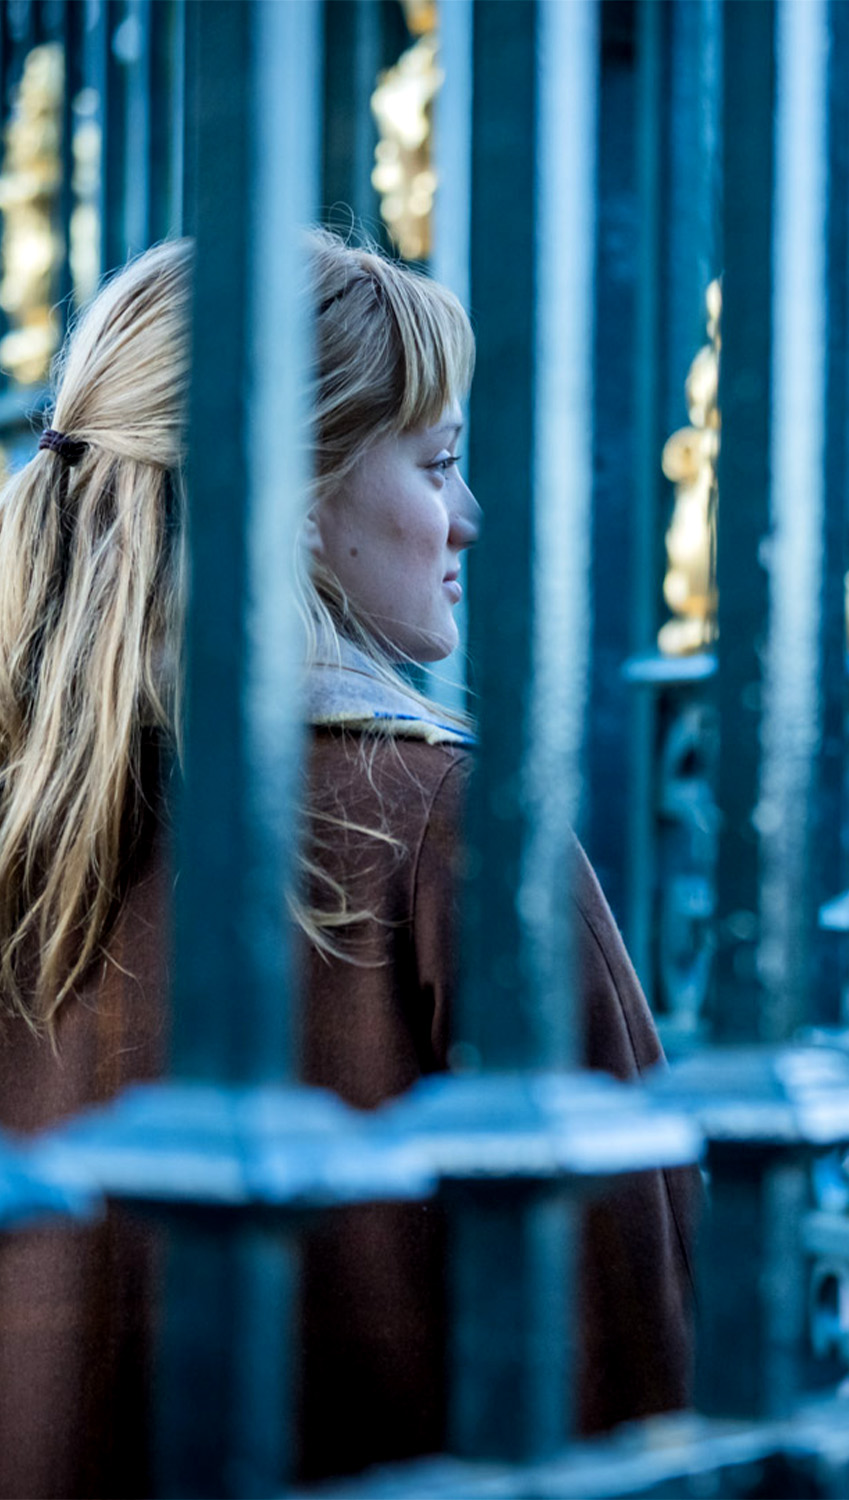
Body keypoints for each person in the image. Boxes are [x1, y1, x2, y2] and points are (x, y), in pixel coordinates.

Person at [0, 236, 697, 1496]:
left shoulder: (24, 820)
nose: (467, 520)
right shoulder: (444, 827)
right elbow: (636, 1362)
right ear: (295, 502)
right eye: (438, 466)